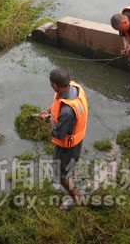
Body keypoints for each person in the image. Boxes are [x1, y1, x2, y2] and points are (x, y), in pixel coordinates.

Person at [39, 68, 88, 211]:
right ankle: (74, 178)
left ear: (54, 85)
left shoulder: (67, 111)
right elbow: (58, 105)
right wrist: (48, 111)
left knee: (60, 176)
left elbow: (57, 133)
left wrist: (48, 120)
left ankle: (75, 198)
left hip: (67, 145)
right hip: (78, 137)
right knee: (72, 161)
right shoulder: (75, 88)